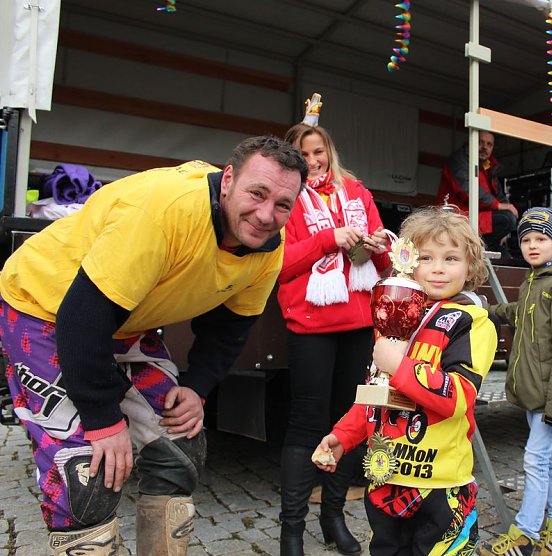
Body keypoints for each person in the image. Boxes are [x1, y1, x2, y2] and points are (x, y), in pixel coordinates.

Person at [0, 136, 305, 555]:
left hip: (123, 317)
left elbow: (231, 326)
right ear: (229, 179)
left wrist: (196, 388)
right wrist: (104, 421)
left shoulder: (268, 245)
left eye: (283, 204)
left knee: (179, 446)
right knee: (87, 474)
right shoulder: (165, 210)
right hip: (45, 307)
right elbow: (82, 317)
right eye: (257, 193)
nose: (266, 214)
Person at [313, 207, 498, 555]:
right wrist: (342, 436)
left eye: (451, 258)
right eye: (426, 257)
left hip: (441, 486)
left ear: (470, 267)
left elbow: (458, 397)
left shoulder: (471, 323)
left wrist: (400, 366)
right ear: (408, 261)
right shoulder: (396, 317)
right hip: (386, 480)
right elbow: (375, 395)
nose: (438, 268)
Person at [278, 96, 393, 556]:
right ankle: (291, 531)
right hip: (310, 323)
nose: (313, 161)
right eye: (303, 154)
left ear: (330, 151)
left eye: (318, 152)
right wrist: (329, 238)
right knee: (306, 424)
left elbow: (384, 265)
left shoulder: (358, 193)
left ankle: (333, 519)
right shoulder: (285, 197)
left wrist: (380, 243)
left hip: (358, 321)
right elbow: (279, 264)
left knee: (354, 421)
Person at [480, 207, 552, 556]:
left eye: (541, 239)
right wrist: (486, 310)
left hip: (550, 396)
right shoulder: (535, 280)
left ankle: (525, 533)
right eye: (525, 239)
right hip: (535, 393)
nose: (532, 245)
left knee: (534, 460)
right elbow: (518, 313)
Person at [436, 130, 519, 254]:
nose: (484, 147)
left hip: (479, 220)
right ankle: (479, 248)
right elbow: (467, 190)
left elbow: (500, 196)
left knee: (506, 256)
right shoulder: (458, 160)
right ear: (471, 141)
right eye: (481, 142)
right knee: (508, 219)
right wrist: (498, 206)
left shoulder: (489, 166)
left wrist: (504, 232)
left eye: (489, 144)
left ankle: (484, 247)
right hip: (457, 219)